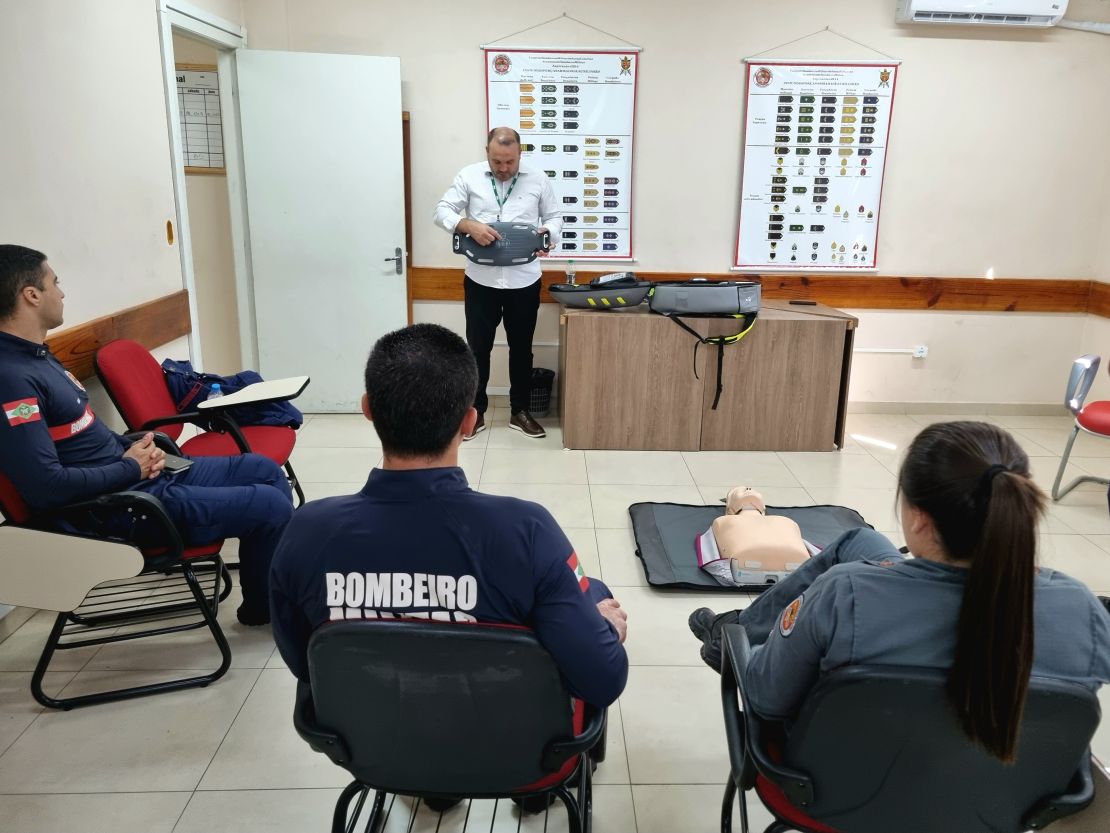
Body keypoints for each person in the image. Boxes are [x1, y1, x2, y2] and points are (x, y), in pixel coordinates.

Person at [689, 420, 1110, 761]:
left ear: (920, 519)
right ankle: (735, 628)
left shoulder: (845, 595)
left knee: (761, 645)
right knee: (859, 540)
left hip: (837, 789)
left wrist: (757, 651)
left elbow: (766, 698)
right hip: (1009, 800)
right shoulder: (1080, 608)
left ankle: (730, 636)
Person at [269, 323, 628, 708]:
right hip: (504, 737)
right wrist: (602, 624)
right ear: (469, 422)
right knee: (592, 592)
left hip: (367, 735)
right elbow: (601, 681)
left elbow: (306, 665)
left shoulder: (306, 531)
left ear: (368, 409)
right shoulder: (527, 531)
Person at [0, 245, 294, 625]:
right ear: (31, 295)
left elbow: (79, 437)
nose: (62, 292)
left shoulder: (36, 355)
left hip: (135, 476)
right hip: (115, 507)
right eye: (54, 282)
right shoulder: (11, 379)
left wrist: (136, 448)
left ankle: (267, 594)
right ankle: (267, 612)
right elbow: (45, 488)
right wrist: (131, 468)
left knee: (263, 470)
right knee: (269, 507)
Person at [434, 127, 562, 440]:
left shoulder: (538, 179)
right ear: (487, 153)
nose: (503, 168)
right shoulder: (469, 176)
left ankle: (520, 411)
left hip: (524, 280)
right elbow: (442, 211)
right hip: (481, 280)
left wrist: (547, 235)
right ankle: (475, 412)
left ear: (520, 154)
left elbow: (555, 218)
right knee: (478, 349)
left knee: (522, 349)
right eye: (497, 161)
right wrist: (467, 224)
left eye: (510, 161)